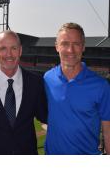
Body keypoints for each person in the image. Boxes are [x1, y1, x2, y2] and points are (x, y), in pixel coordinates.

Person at [0, 30, 48, 155]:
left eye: (13, 48)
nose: (9, 54)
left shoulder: (36, 82)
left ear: (20, 51)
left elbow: (45, 117)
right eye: (3, 48)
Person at [43, 22, 110, 155]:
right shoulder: (47, 78)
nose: (70, 50)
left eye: (76, 44)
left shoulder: (100, 86)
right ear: (57, 47)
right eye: (65, 44)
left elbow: (108, 133)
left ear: (83, 47)